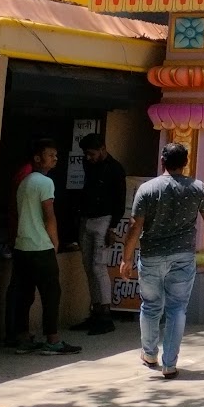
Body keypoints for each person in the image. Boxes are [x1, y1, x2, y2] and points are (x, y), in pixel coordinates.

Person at [120, 142, 204, 379]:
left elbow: (135, 227)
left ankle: (149, 353)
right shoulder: (197, 188)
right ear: (185, 162)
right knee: (177, 309)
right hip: (183, 257)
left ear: (162, 161)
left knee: (151, 306)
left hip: (152, 256)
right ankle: (170, 364)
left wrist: (126, 258)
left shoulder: (147, 189)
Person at [6, 139, 82, 356]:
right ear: (38, 158)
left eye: (56, 155)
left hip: (22, 246)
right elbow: (49, 216)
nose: (55, 158)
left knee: (24, 294)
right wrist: (55, 242)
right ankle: (53, 340)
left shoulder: (25, 181)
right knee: (51, 294)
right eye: (50, 155)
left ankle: (22, 338)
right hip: (40, 247)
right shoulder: (45, 183)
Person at [72, 133, 128, 335]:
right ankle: (96, 310)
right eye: (87, 154)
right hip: (86, 218)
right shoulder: (90, 166)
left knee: (99, 266)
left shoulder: (115, 169)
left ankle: (105, 313)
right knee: (89, 266)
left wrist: (112, 227)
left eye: (92, 153)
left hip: (104, 220)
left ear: (103, 149)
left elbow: (119, 201)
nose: (89, 157)